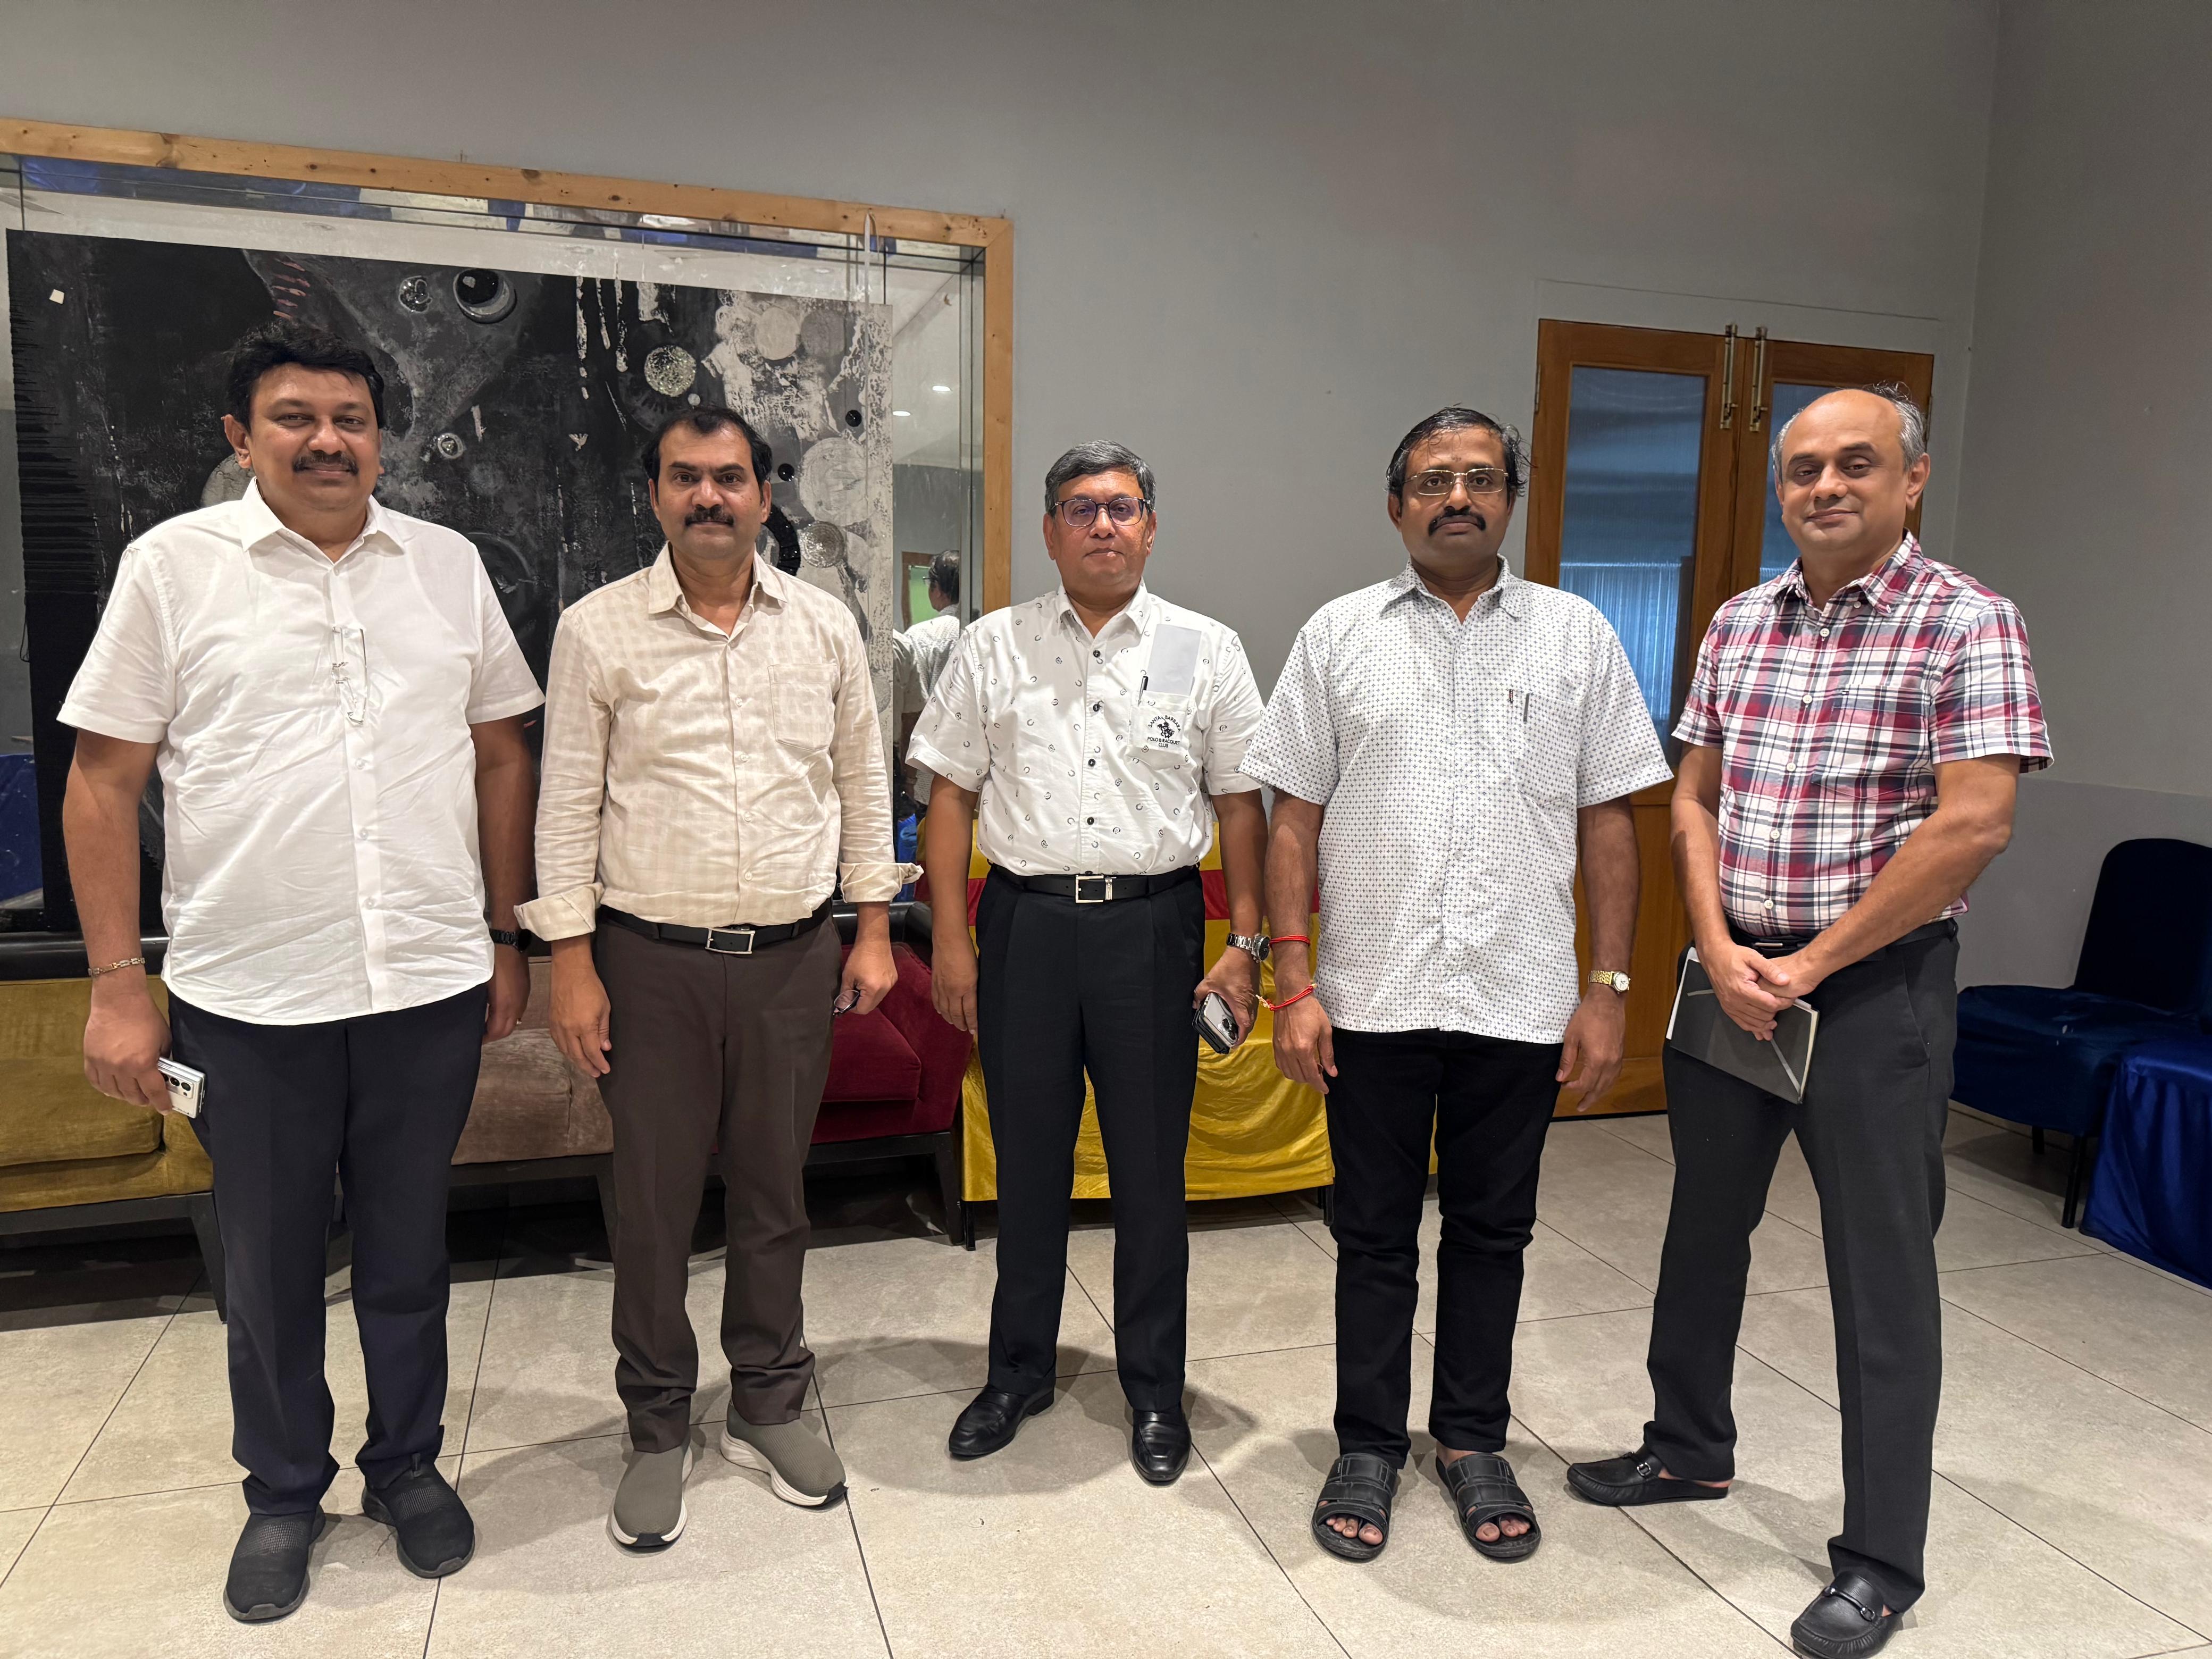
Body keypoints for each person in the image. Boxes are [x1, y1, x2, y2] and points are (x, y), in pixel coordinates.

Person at [62, 321, 541, 1623]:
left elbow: (502, 752)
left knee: (409, 1253)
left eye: (351, 418)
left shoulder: (444, 567)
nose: (328, 440)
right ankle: (282, 1492)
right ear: (241, 437)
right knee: (270, 1272)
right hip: (250, 997)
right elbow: (102, 781)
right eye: (295, 417)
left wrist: (505, 936)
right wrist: (118, 983)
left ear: (381, 436)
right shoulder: (173, 569)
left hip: (424, 986)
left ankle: (406, 1467)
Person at [1565, 386, 2048, 1659]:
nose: (1824, 486)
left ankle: (1880, 1560)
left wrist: (1811, 964)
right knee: (1701, 1231)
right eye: (1803, 469)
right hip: (1731, 977)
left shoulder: (1968, 622)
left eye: (1855, 464)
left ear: (1911, 479)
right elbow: (1692, 798)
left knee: (1878, 1274)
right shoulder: (1740, 621)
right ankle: (1685, 1448)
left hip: (1876, 994)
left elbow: (1974, 824)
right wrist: (1718, 946)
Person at [1242, 407, 1671, 1564]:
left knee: (1494, 1235)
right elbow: (1293, 817)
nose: (1458, 499)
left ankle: (1473, 1439)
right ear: (1396, 506)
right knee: (1373, 1237)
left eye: (1481, 478)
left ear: (1510, 500)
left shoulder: (1577, 637)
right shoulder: (1338, 634)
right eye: (1433, 481)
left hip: (1519, 998)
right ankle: (1368, 1445)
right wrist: (1294, 980)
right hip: (1372, 997)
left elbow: (1611, 819)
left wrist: (1608, 988)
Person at [518, 406, 912, 1552]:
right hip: (649, 964)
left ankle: (769, 1401)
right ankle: (655, 1425)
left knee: (775, 1193)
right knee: (650, 1206)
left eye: (730, 478)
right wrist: (570, 964)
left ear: (763, 495)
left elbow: (862, 780)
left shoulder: (824, 627)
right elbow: (566, 802)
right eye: (685, 478)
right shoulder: (598, 630)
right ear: (653, 496)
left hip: (793, 959)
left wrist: (873, 928)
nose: (709, 497)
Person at [911, 441, 1268, 1485]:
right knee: (1027, 1165)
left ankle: (1154, 1388)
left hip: (1153, 932)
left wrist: (1245, 948)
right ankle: (1017, 1372)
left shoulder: (1208, 648)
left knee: (1151, 1173)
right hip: (1024, 927)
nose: (1102, 524)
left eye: (1121, 506)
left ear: (1151, 525)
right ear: (1049, 531)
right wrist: (951, 937)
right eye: (1079, 508)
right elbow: (949, 797)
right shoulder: (992, 645)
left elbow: (1241, 807)